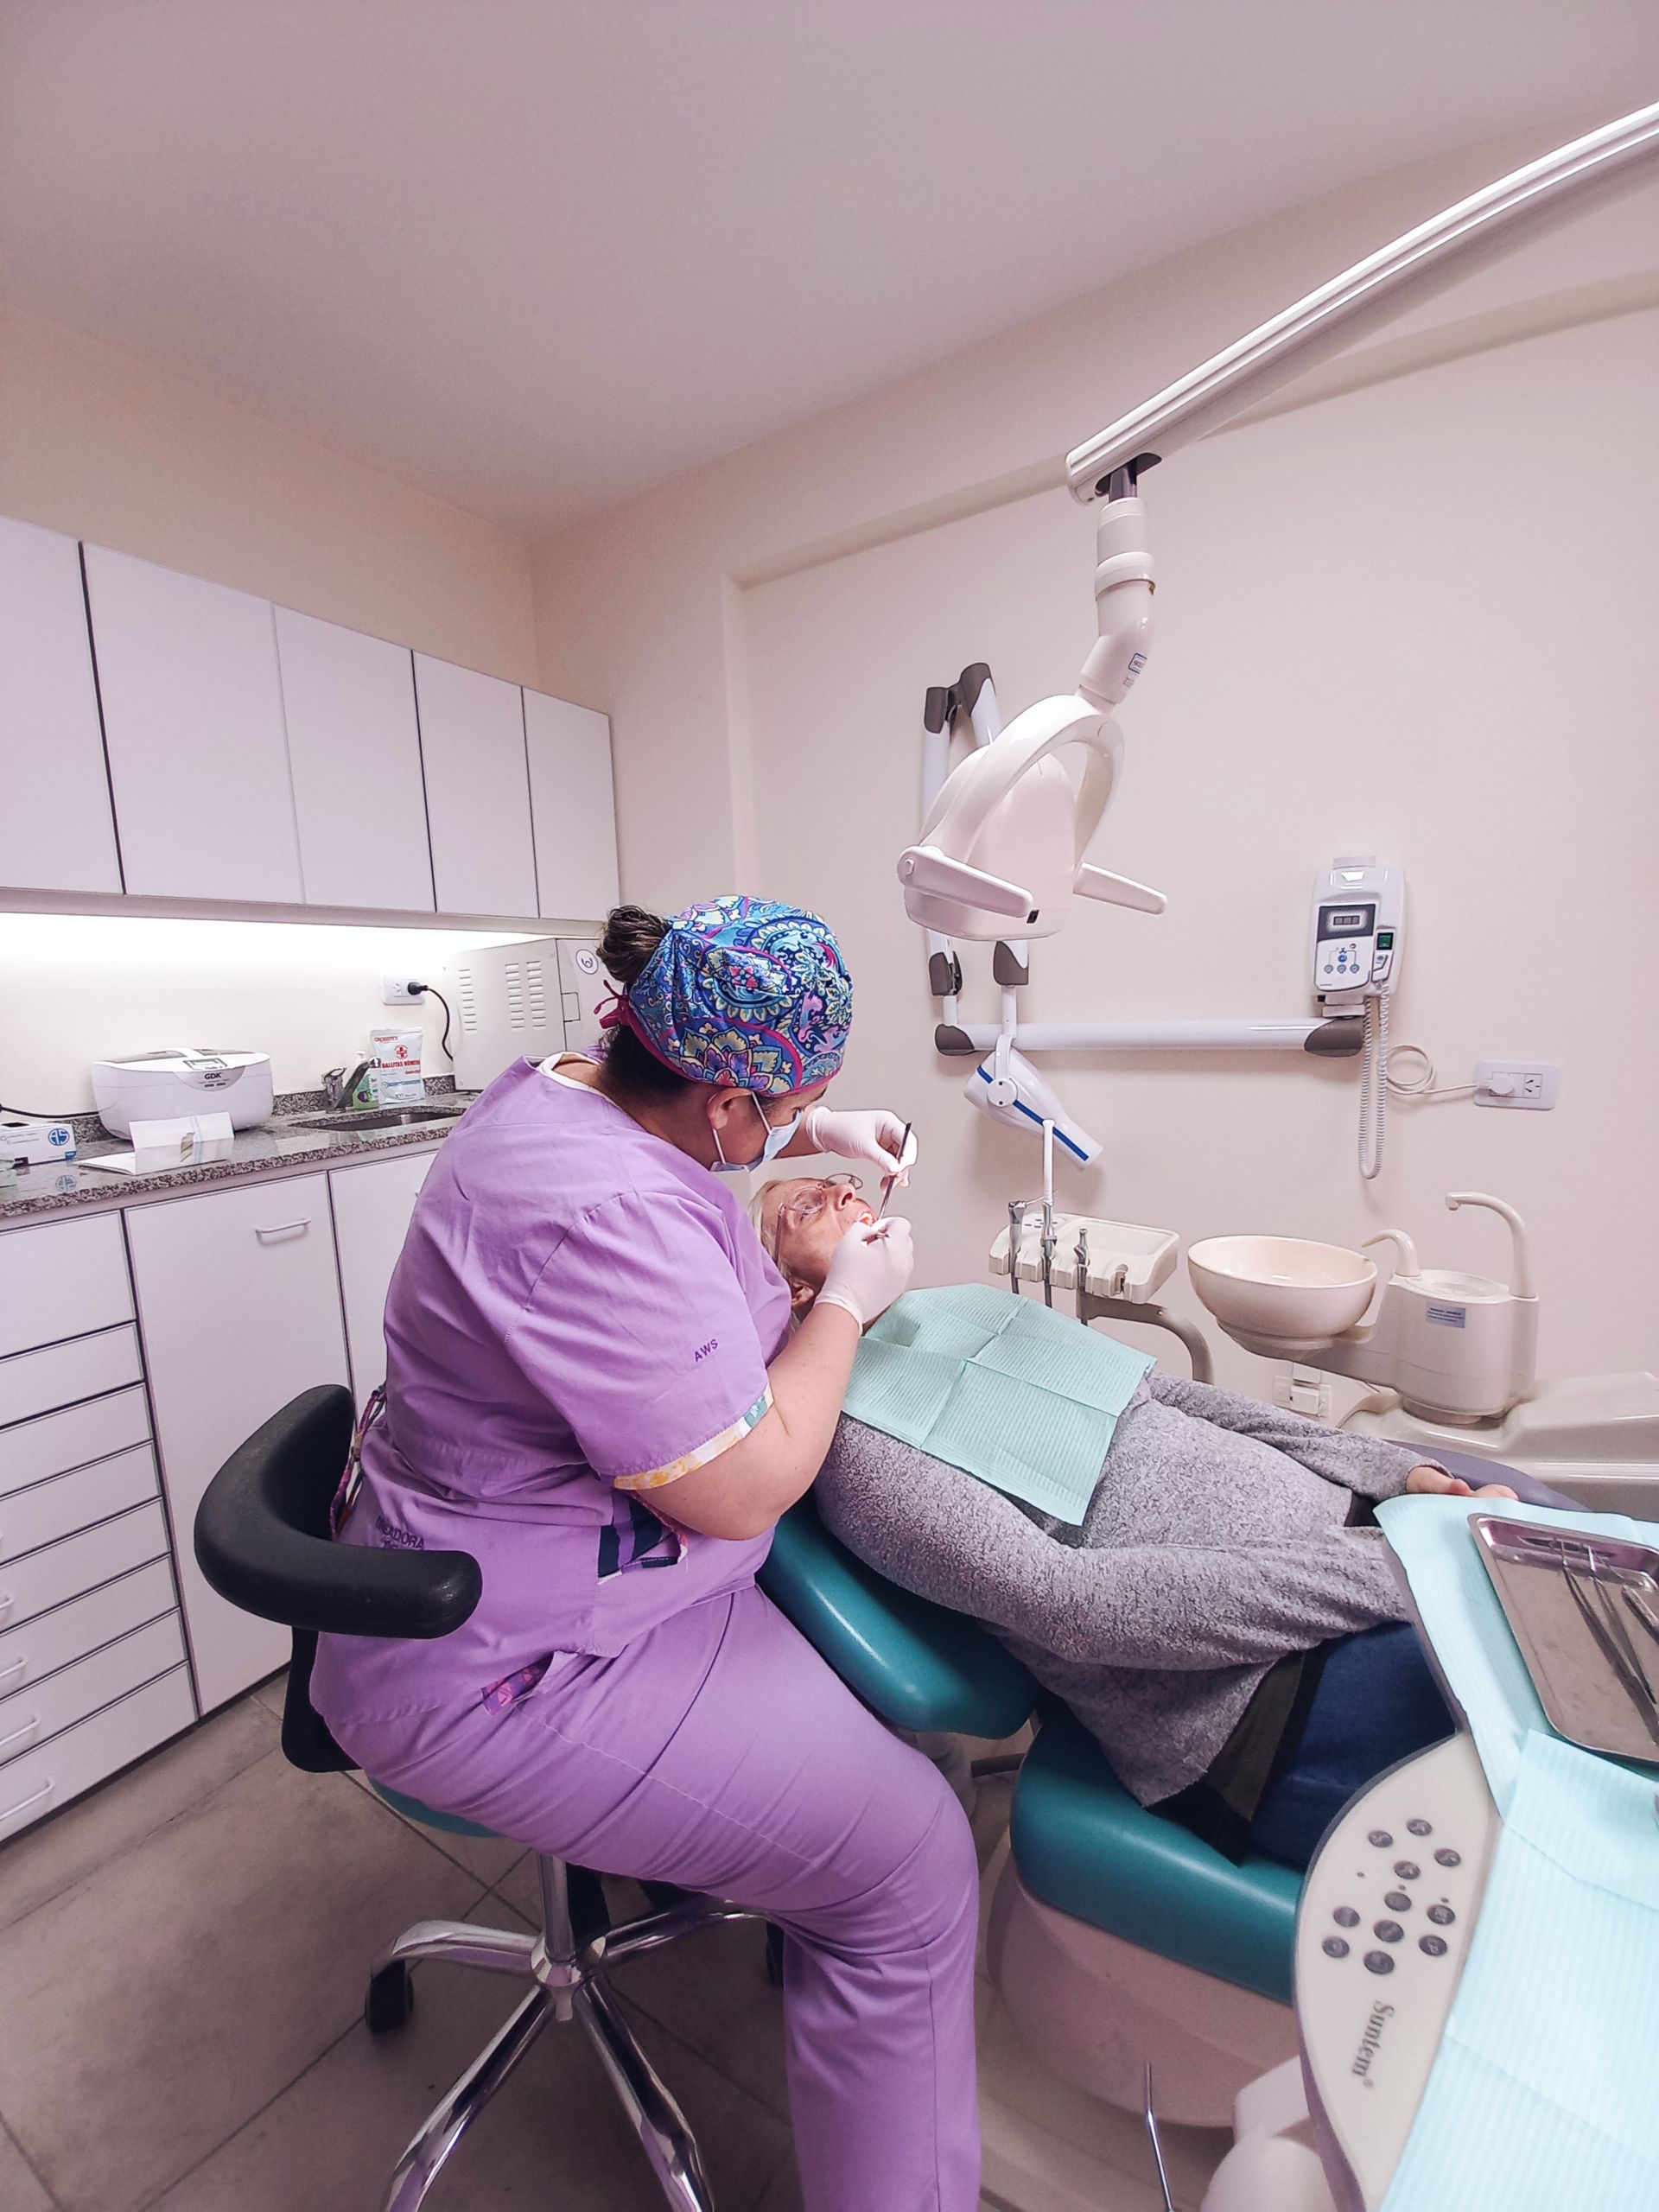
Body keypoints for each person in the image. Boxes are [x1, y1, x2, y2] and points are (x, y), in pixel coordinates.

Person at [311, 898, 982, 2212]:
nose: (804, 1141)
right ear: (725, 1106)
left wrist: (801, 1138)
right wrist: (844, 1300)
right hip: (509, 1666)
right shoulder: (601, 1212)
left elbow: (680, 1245)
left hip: (577, 1575)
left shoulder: (570, 1091)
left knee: (870, 1741)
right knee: (913, 1867)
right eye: (787, 1111)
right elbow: (741, 1490)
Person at [753, 1171, 1547, 1870]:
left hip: (1353, 1536)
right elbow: (1072, 1606)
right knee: (1563, 1691)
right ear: (789, 1289)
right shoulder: (857, 1450)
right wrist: (1403, 1567)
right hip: (1258, 1697)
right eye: (806, 1205)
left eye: (845, 1181)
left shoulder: (971, 1310)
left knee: (1572, 1543)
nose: (844, 1192)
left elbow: (1172, 1396)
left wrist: (1395, 1474)